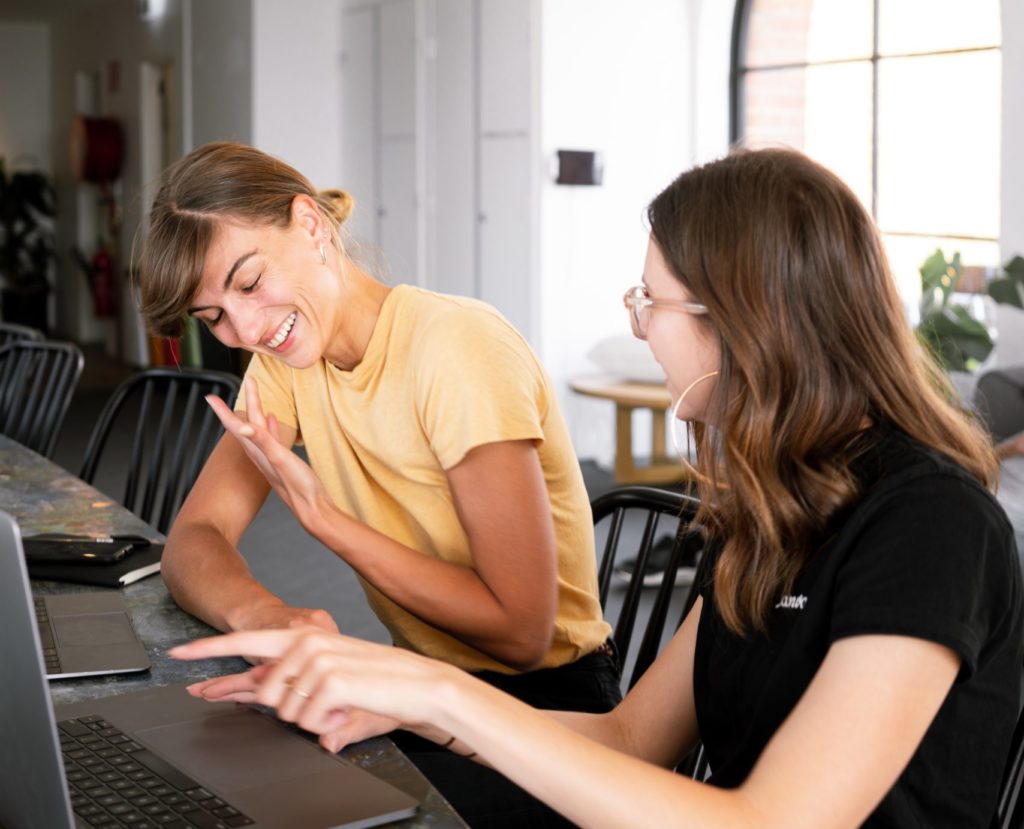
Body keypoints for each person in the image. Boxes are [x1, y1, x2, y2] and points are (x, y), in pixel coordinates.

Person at [171, 148, 1024, 828]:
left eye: (650, 301)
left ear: (744, 322)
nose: (639, 325)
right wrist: (397, 703)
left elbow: (773, 818)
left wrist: (429, 688)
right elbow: (630, 738)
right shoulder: (777, 508)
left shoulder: (932, 524)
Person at [134, 141, 620, 825]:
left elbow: (522, 631)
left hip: (548, 710)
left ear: (310, 224)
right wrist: (269, 617)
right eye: (212, 316)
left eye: (247, 283)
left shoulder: (455, 347)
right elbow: (194, 538)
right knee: (229, 776)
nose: (242, 330)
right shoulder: (287, 364)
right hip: (419, 687)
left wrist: (330, 522)